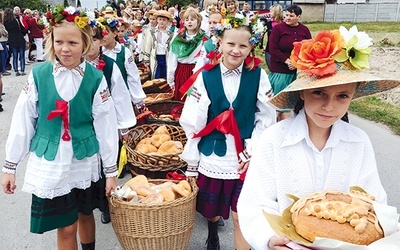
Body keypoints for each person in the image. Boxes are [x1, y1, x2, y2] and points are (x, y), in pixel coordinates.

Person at [237, 26, 400, 250]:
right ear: (302, 92)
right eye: (319, 92)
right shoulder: (273, 140)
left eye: (342, 96)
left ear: (352, 96)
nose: (329, 106)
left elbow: (374, 204)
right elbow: (254, 204)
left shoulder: (359, 142)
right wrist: (268, 239)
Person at [1, 6, 119, 250]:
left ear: (85, 43)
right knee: (66, 226)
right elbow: (23, 121)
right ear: (51, 41)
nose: (65, 49)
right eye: (60, 41)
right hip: (52, 163)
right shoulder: (39, 75)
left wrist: (110, 171)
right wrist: (10, 166)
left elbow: (106, 125)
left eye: (73, 42)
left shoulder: (96, 78)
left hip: (84, 161)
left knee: (86, 214)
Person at [179, 14, 276, 250]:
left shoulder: (258, 75)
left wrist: (253, 150)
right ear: (219, 43)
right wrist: (192, 161)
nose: (236, 50)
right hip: (213, 154)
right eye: (230, 43)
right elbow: (194, 121)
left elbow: (267, 116)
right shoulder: (206, 76)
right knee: (211, 209)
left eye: (243, 45)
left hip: (243, 156)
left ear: (251, 47)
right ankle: (212, 232)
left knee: (240, 213)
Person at [268, 4, 311, 121]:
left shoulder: (304, 30)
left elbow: (308, 48)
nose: (287, 18)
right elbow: (273, 49)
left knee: (299, 104)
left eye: (291, 16)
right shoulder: (278, 29)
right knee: (282, 106)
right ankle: (279, 129)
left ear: (299, 17)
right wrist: (287, 61)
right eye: (286, 15)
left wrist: (297, 62)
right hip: (282, 72)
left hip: (299, 73)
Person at [167, 7, 208, 101]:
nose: (189, 22)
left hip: (197, 72)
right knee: (181, 100)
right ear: (183, 22)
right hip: (181, 71)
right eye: (187, 20)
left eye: (192, 19)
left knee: (195, 100)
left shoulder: (204, 39)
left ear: (198, 22)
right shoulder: (178, 39)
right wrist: (171, 79)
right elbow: (172, 60)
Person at [142, 10, 174, 80]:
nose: (161, 21)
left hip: (166, 58)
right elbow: (148, 46)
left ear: (168, 22)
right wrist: (146, 61)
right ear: (157, 20)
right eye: (160, 19)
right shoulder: (152, 32)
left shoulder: (171, 34)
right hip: (155, 57)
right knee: (156, 77)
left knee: (166, 77)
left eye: (164, 20)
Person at [3, 7, 28, 76]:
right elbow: (22, 29)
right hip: (19, 38)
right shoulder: (16, 20)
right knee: (22, 55)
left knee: (15, 56)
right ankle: (22, 70)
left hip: (11, 40)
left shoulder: (5, 22)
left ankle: (16, 70)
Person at [259, 3, 284, 70]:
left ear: (276, 12)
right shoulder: (268, 24)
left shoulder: (284, 24)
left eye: (271, 11)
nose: (269, 13)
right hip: (269, 51)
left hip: (282, 51)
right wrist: (261, 46)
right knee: (272, 70)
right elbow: (262, 35)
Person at [0, 11, 10, 76]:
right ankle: (3, 70)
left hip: (3, 41)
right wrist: (6, 33)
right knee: (3, 56)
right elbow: (4, 32)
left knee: (5, 55)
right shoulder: (0, 25)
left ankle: (3, 69)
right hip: (2, 41)